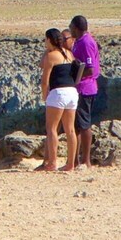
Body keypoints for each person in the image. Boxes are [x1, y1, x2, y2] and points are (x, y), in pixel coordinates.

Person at [37, 28, 82, 171]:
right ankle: (70, 164)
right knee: (70, 130)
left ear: (49, 40)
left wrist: (45, 95)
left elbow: (45, 80)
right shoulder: (69, 54)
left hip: (58, 92)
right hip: (72, 92)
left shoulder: (51, 56)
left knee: (52, 129)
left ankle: (52, 162)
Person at [69, 15, 101, 169]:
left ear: (76, 28)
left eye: (70, 27)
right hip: (78, 87)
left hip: (85, 88)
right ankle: (74, 160)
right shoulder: (79, 42)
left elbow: (90, 68)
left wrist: (74, 75)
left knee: (84, 124)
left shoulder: (86, 42)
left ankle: (86, 160)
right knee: (75, 125)